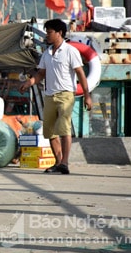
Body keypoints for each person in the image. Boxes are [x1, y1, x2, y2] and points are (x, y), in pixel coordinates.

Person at [20, 19, 92, 174]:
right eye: (46, 32)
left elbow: (81, 74)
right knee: (50, 131)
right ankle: (58, 162)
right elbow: (41, 74)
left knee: (64, 128)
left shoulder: (70, 51)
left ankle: (65, 163)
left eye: (49, 32)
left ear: (59, 33)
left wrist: (87, 96)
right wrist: (29, 82)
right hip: (49, 95)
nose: (47, 35)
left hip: (65, 94)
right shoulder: (47, 53)